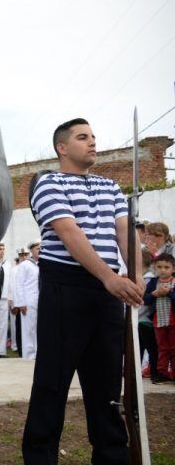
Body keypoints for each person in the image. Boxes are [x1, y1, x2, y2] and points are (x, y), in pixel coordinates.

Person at [22, 118, 143, 464]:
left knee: (107, 386)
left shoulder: (111, 187)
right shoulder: (48, 184)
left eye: (93, 137)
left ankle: (111, 457)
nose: (92, 142)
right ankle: (40, 458)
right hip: (66, 287)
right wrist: (109, 277)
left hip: (109, 293)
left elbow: (125, 231)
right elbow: (69, 232)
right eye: (82, 137)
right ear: (62, 147)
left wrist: (134, 277)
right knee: (52, 383)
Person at [143, 253, 175, 384]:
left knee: (174, 347)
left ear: (173, 269)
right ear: (154, 268)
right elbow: (145, 300)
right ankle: (162, 372)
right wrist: (154, 294)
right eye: (159, 267)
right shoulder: (153, 283)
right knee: (162, 347)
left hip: (173, 321)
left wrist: (169, 293)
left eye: (166, 267)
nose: (162, 270)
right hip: (159, 321)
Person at [14, 242, 40, 360]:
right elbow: (18, 284)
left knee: (39, 328)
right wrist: (21, 303)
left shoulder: (42, 264)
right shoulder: (25, 265)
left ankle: (37, 353)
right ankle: (28, 355)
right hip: (28, 301)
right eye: (37, 248)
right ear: (31, 251)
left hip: (41, 300)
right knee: (28, 329)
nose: (39, 250)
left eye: (41, 248)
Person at [139, 248, 160, 381]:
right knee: (141, 348)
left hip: (145, 320)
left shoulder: (149, 280)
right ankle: (135, 372)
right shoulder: (146, 278)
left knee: (152, 348)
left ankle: (154, 373)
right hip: (140, 320)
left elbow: (144, 301)